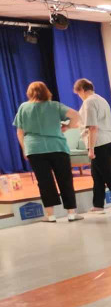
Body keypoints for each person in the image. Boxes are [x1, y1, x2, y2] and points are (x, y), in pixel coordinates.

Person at [12, 81, 83, 223]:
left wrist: (25, 149)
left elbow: (20, 132)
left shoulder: (23, 108)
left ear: (29, 93)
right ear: (46, 91)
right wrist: (67, 127)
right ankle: (71, 213)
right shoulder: (55, 106)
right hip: (57, 146)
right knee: (65, 179)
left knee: (44, 181)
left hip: (35, 148)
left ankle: (50, 215)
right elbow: (76, 116)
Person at [73, 78, 111, 214]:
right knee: (96, 174)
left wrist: (91, 148)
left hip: (99, 142)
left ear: (82, 90)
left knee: (106, 174)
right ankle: (98, 204)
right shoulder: (101, 99)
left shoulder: (89, 102)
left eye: (78, 93)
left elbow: (93, 127)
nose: (79, 96)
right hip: (108, 139)